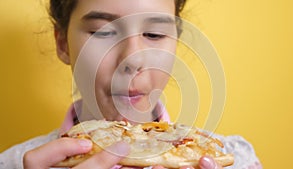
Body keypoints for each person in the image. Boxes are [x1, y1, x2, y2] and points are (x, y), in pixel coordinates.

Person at [0, 0, 262, 168]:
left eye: (154, 34)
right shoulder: (12, 163)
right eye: (103, 31)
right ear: (62, 43)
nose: (132, 59)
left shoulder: (236, 161)